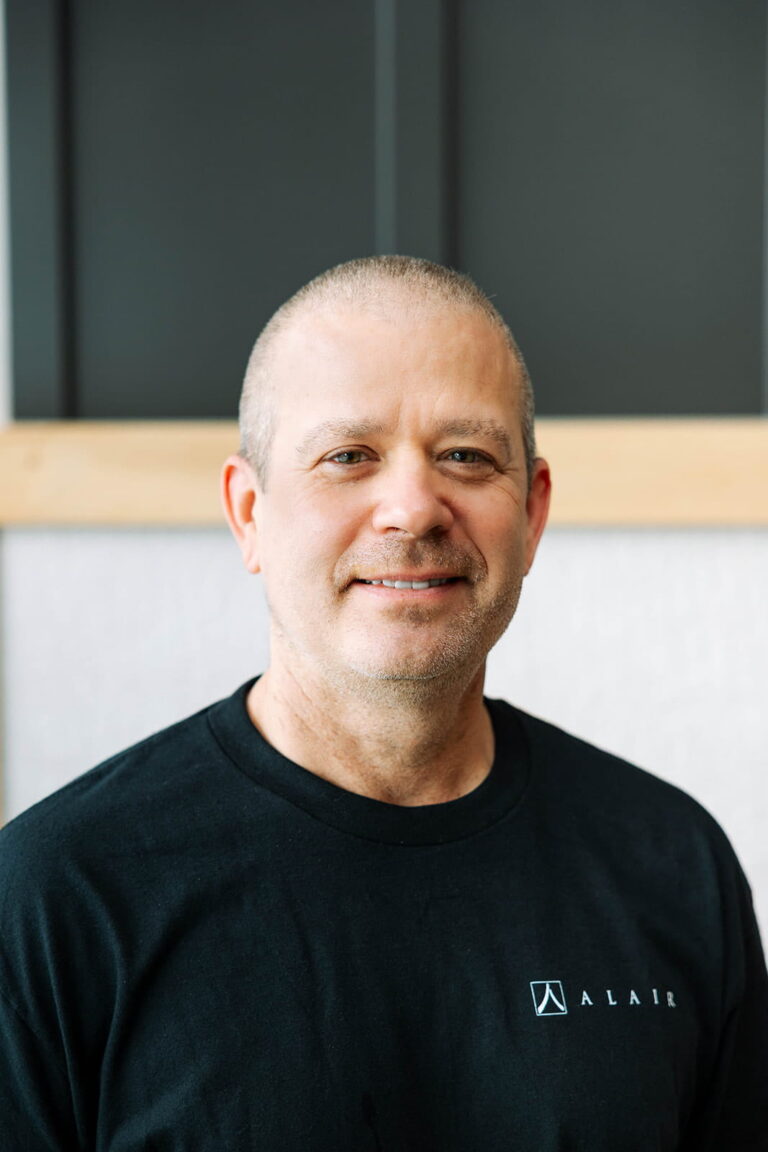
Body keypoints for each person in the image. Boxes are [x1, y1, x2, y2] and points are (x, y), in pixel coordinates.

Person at [1, 255, 766, 1150]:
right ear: (249, 513)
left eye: (465, 456)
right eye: (348, 457)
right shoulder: (56, 897)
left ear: (532, 513)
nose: (412, 509)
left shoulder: (673, 864)